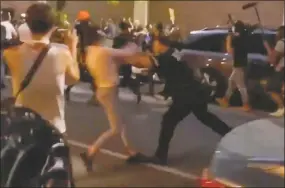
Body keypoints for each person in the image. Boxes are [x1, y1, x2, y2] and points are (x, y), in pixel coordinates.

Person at [127, 36, 232, 165]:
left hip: (186, 94)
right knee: (206, 118)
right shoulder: (174, 52)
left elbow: (151, 63)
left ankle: (160, 156)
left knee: (169, 120)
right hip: (194, 91)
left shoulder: (166, 57)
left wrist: (135, 59)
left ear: (160, 43)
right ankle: (232, 135)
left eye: (154, 43)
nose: (153, 46)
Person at [79, 25, 151, 172]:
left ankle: (132, 152)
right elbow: (127, 52)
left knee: (121, 121)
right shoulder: (102, 51)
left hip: (105, 89)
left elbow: (116, 61)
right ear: (97, 37)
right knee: (116, 128)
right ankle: (90, 152)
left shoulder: (90, 52)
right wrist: (134, 43)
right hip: (108, 90)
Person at [3, 2, 80, 134]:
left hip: (23, 124)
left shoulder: (11, 54)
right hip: (53, 127)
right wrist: (72, 46)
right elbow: (72, 79)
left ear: (27, 24)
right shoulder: (62, 54)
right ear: (53, 28)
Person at [216, 20, 251, 112]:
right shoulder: (245, 37)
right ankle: (225, 100)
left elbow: (229, 51)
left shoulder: (237, 39)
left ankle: (246, 104)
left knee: (241, 86)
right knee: (231, 81)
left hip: (238, 64)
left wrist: (228, 39)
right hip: (241, 63)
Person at [264, 25, 284, 117]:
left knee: (271, 89)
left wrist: (267, 47)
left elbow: (272, 59)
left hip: (281, 69)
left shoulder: (281, 42)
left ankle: (281, 108)